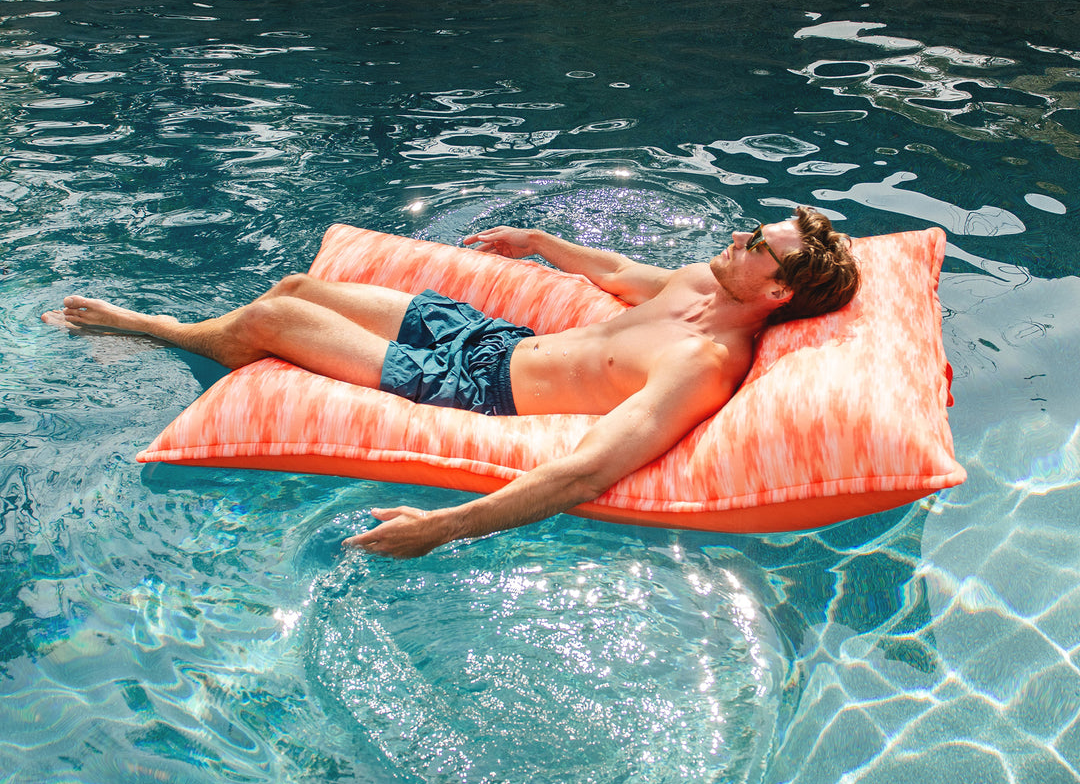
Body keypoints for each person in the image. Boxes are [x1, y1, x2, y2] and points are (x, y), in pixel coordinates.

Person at [43, 207, 859, 559]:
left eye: (759, 241)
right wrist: (542, 242)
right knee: (296, 287)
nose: (739, 236)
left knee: (271, 323)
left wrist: (445, 528)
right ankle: (186, 330)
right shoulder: (701, 283)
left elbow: (588, 469)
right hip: (496, 338)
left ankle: (151, 329)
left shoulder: (704, 368)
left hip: (468, 389)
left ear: (779, 292)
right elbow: (618, 272)